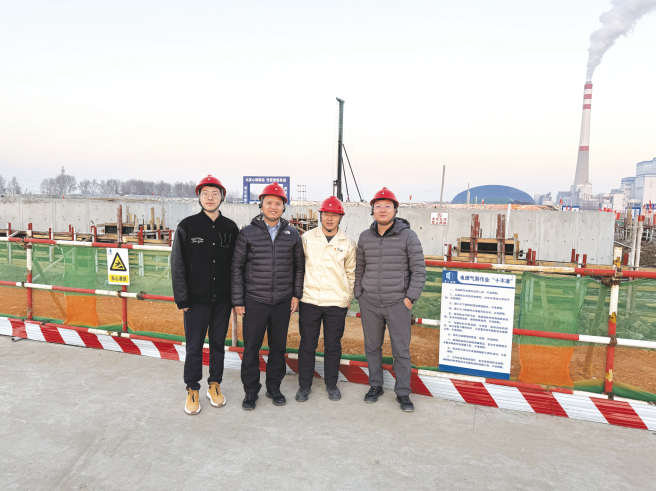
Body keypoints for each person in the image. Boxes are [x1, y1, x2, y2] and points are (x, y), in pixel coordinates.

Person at [232, 182, 304, 410]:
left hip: (282, 301)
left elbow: (299, 267)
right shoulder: (247, 233)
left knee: (278, 348)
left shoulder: (292, 234)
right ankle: (251, 390)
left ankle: (274, 387)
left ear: (284, 207)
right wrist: (238, 300)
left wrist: (296, 295)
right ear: (261, 205)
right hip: (255, 301)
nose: (273, 207)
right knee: (251, 348)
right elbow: (237, 268)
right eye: (269, 203)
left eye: (278, 203)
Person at [171, 175, 239, 415]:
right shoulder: (187, 226)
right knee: (194, 346)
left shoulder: (230, 228)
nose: (210, 198)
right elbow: (177, 264)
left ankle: (214, 384)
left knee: (218, 344)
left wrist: (236, 299)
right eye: (205, 193)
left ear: (222, 197)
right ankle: (192, 388)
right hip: (195, 301)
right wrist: (182, 299)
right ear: (199, 197)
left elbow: (237, 266)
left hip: (222, 300)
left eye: (215, 193)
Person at [354, 187, 426, 412]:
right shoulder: (365, 237)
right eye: (378, 206)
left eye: (387, 206)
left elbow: (419, 270)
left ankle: (403, 392)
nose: (382, 210)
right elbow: (359, 268)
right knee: (372, 347)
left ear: (395, 210)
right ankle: (375, 385)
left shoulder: (408, 236)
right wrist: (359, 294)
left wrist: (410, 298)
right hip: (370, 303)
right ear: (372, 211)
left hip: (398, 303)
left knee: (401, 351)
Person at [296, 196, 356, 402]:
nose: (330, 219)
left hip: (336, 303)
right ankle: (304, 385)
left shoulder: (347, 243)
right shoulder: (307, 238)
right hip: (309, 300)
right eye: (326, 214)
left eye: (334, 215)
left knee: (333, 345)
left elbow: (351, 273)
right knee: (307, 344)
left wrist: (347, 296)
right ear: (320, 215)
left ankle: (331, 384)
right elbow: (299, 268)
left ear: (340, 218)